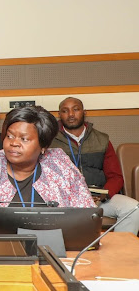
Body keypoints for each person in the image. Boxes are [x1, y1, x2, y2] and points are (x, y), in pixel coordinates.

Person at [0, 106, 95, 234]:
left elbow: (88, 214)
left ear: (43, 145)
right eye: (9, 136)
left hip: (54, 247)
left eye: (24, 139)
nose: (14, 143)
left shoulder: (59, 164)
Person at [51, 97, 139, 235]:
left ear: (84, 112)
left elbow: (115, 177)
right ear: (59, 115)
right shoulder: (50, 141)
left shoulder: (102, 139)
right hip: (66, 200)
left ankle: (118, 253)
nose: (71, 114)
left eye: (76, 109)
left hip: (99, 198)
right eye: (65, 111)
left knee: (134, 208)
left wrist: (102, 195)